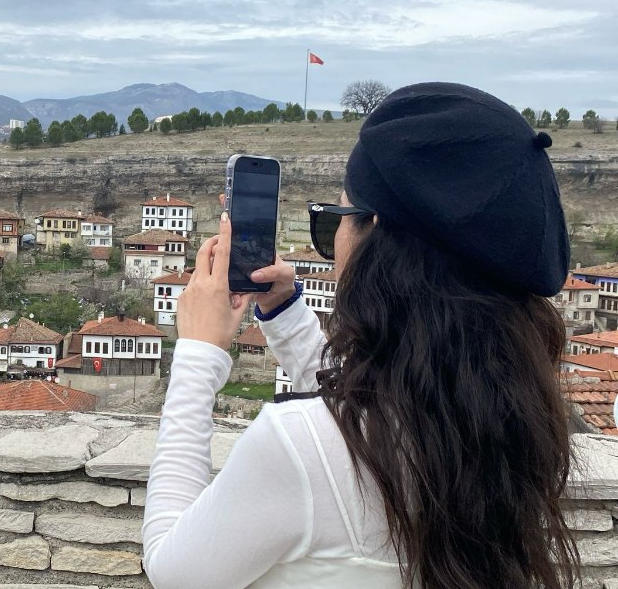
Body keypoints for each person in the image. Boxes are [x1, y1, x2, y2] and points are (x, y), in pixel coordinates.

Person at [143, 83, 579, 588]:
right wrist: (282, 308)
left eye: (337, 220)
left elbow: (173, 572)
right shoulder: (513, 420)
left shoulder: (294, 446)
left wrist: (199, 354)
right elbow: (370, 407)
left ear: (377, 239)